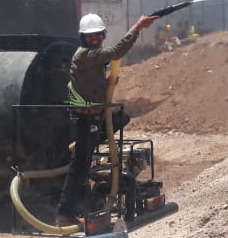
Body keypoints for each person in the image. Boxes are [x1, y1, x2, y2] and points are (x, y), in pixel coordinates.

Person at [55, 13, 159, 226]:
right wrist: (137, 28)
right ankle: (64, 214)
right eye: (90, 36)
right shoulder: (85, 55)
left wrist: (107, 85)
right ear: (83, 38)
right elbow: (116, 52)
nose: (95, 39)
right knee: (79, 168)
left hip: (95, 116)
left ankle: (90, 145)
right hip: (86, 120)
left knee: (122, 118)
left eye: (98, 35)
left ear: (102, 35)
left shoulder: (91, 56)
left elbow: (89, 84)